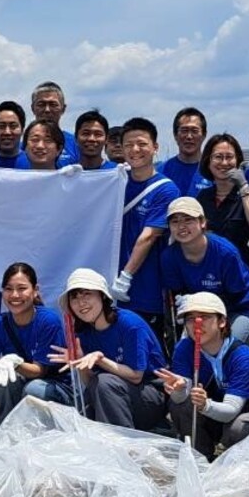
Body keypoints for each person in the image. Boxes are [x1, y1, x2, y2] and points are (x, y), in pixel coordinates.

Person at [157, 292, 249, 460]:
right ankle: (200, 458)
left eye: (204, 317)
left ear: (222, 322)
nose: (197, 324)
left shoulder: (243, 356)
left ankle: (240, 462)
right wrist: (179, 390)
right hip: (212, 405)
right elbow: (180, 398)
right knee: (181, 405)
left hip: (246, 408)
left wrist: (205, 405)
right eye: (190, 319)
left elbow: (231, 410)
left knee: (239, 428)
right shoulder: (184, 348)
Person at [51, 268, 169, 431]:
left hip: (151, 394)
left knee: (105, 383)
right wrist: (80, 363)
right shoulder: (83, 333)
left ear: (102, 296)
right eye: (74, 297)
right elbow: (91, 383)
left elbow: (136, 376)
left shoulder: (129, 324)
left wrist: (101, 359)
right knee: (92, 393)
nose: (81, 302)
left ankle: (121, 440)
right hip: (112, 394)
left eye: (87, 294)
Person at [0, 262, 69, 422]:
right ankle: (8, 424)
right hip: (24, 384)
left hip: (56, 387)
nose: (14, 295)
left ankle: (38, 430)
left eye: (22, 288)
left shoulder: (48, 321)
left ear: (35, 290)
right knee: (0, 375)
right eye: (8, 289)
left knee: (33, 389)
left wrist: (15, 363)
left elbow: (39, 371)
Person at [158, 197, 249, 343]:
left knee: (226, 348)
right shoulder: (169, 256)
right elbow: (177, 290)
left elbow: (235, 293)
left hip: (242, 306)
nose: (181, 226)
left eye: (188, 220)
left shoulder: (225, 252)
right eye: (175, 222)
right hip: (203, 311)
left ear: (202, 222)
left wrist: (200, 305)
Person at [111, 117, 181, 342]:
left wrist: (126, 276)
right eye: (129, 145)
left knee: (144, 347)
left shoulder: (166, 189)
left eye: (142, 144)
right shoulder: (115, 181)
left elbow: (149, 236)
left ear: (155, 147)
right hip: (108, 282)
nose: (135, 150)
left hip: (144, 287)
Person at [195, 133, 249, 267]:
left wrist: (243, 187)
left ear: (238, 161)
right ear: (208, 162)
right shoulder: (203, 196)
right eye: (218, 157)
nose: (224, 163)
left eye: (229, 157)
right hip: (213, 269)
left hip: (245, 270)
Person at [162, 107, 211, 196]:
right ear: (175, 135)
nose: (189, 136)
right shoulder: (161, 171)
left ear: (204, 135)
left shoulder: (213, 171)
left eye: (194, 131)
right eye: (184, 131)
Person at [29, 81, 78, 162]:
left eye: (53, 104)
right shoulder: (25, 145)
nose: (47, 110)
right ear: (32, 108)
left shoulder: (75, 144)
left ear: (63, 109)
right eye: (41, 104)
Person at [0, 100, 27, 168]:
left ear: (22, 130)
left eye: (13, 126)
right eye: (1, 126)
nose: (7, 132)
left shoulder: (35, 164)